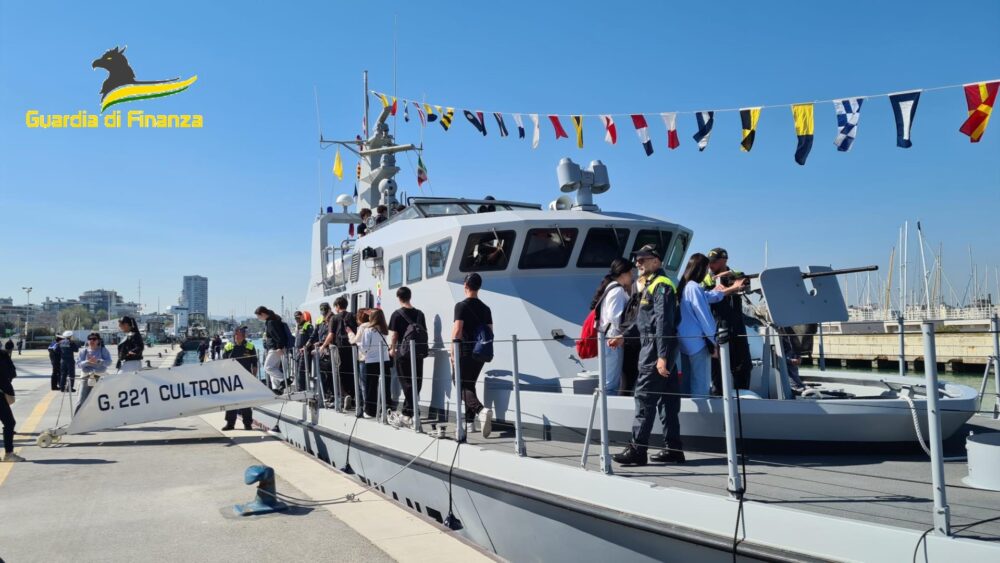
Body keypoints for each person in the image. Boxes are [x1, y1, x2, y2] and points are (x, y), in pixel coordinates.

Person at [613, 244, 684, 466]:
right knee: (667, 402)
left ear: (656, 261)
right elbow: (644, 322)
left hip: (654, 351)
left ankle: (637, 450)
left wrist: (662, 356)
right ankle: (673, 449)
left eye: (643, 260)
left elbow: (664, 323)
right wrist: (623, 336)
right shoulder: (649, 285)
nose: (638, 264)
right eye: (637, 260)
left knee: (644, 399)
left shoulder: (661, 286)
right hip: (660, 349)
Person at [677, 254, 744, 397]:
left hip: (684, 343)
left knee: (687, 382)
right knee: (700, 382)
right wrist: (716, 342)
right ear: (701, 269)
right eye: (707, 268)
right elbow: (704, 317)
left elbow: (707, 296)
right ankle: (702, 414)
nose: (708, 272)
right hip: (697, 344)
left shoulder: (684, 286)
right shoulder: (694, 287)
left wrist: (723, 290)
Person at [703, 248, 753, 392]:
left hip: (736, 326)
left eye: (714, 262)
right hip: (717, 326)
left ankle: (742, 395)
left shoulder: (735, 274)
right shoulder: (707, 278)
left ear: (724, 261)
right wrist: (723, 284)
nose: (710, 265)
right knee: (717, 367)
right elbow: (705, 290)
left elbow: (745, 279)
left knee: (743, 364)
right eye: (709, 263)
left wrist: (729, 277)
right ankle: (718, 395)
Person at [451, 273, 493, 437]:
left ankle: (480, 411)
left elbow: (458, 330)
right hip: (480, 351)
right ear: (479, 287)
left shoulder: (461, 306)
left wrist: (453, 352)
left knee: (459, 384)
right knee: (470, 384)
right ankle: (470, 424)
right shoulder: (486, 308)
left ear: (466, 286)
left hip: (465, 350)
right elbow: (490, 331)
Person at [592, 258, 634, 395]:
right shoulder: (617, 291)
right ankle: (605, 412)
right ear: (623, 273)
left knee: (607, 381)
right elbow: (614, 317)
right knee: (610, 383)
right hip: (612, 340)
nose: (632, 276)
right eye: (630, 272)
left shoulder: (610, 287)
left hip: (607, 338)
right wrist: (619, 337)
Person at [388, 287, 427, 427]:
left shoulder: (396, 314)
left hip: (402, 353)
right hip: (418, 353)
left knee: (406, 382)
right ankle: (408, 412)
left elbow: (394, 335)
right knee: (416, 382)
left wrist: (392, 350)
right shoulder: (420, 314)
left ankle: (408, 413)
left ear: (399, 298)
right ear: (410, 296)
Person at [355, 309, 392, 418]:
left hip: (371, 361)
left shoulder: (369, 330)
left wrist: (358, 343)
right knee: (385, 386)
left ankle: (370, 411)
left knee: (371, 387)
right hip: (385, 360)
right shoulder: (385, 330)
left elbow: (365, 347)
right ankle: (386, 409)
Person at [222, 327, 258, 430]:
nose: (242, 335)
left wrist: (253, 378)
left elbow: (254, 364)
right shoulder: (228, 346)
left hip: (245, 378)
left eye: (243, 333)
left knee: (246, 402)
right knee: (231, 402)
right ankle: (230, 424)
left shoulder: (250, 346)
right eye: (239, 333)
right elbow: (222, 364)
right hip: (231, 379)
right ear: (235, 335)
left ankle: (247, 424)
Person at [329, 297, 358, 408]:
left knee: (340, 373)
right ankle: (353, 396)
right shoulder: (352, 315)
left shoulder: (334, 318)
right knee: (352, 371)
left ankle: (345, 396)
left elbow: (331, 335)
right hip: (352, 347)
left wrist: (323, 346)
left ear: (337, 306)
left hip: (340, 348)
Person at [255, 306, 289, 394]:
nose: (258, 318)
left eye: (258, 316)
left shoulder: (270, 322)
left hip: (275, 349)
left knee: (267, 367)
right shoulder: (273, 320)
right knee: (274, 368)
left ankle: (284, 380)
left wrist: (279, 347)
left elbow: (277, 336)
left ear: (262, 314)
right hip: (275, 348)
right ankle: (278, 388)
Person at [76, 332, 112, 411]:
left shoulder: (103, 350)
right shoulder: (83, 351)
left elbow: (109, 362)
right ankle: (77, 419)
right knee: (81, 400)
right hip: (86, 377)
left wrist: (99, 361)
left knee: (101, 400)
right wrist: (87, 362)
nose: (92, 341)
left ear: (98, 341)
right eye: (90, 339)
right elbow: (78, 364)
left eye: (94, 339)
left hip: (100, 378)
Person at [0, 348, 23, 462]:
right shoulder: (3, 354)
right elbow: (12, 372)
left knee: (9, 422)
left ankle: (9, 453)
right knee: (9, 423)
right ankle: (9, 453)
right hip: (1, 393)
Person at [309, 302, 334, 404]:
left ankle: (332, 395)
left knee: (330, 375)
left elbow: (331, 334)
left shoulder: (332, 319)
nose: (323, 312)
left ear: (329, 309)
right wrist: (307, 344)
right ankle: (327, 395)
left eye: (325, 309)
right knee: (324, 374)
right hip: (322, 351)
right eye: (322, 310)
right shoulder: (320, 320)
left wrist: (322, 344)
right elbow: (315, 333)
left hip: (329, 350)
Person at [292, 311, 312, 392]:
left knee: (301, 372)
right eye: (296, 318)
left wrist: (306, 347)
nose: (297, 319)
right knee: (296, 372)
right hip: (297, 352)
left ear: (302, 316)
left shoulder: (308, 325)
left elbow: (312, 338)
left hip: (304, 352)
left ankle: (302, 391)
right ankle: (299, 390)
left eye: (298, 317)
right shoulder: (298, 327)